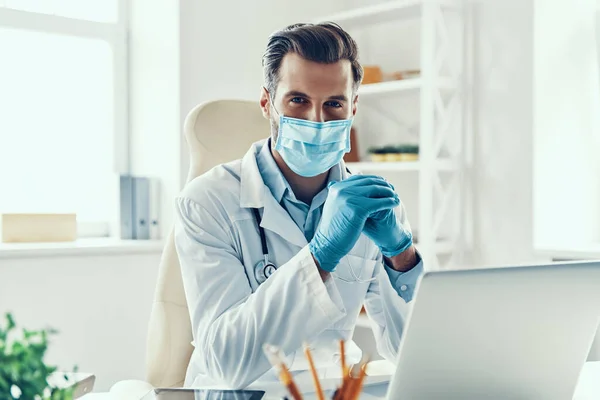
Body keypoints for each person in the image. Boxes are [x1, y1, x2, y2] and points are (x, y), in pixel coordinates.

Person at [174, 22, 424, 389]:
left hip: (335, 391)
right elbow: (228, 363)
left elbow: (412, 354)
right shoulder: (207, 201)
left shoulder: (373, 202)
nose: (316, 120)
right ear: (267, 103)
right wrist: (321, 255)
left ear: (353, 107)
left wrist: (401, 257)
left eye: (334, 104)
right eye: (298, 101)